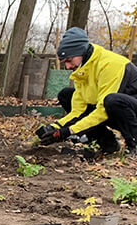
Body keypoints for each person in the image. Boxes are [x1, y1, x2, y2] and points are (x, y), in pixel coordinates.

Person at [35, 27, 137, 156]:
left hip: (129, 111)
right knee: (66, 95)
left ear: (81, 51)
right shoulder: (82, 69)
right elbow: (78, 111)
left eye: (69, 60)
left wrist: (70, 131)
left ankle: (134, 145)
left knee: (112, 100)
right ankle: (107, 143)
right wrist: (56, 128)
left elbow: (102, 111)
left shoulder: (110, 64)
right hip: (114, 111)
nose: (68, 67)